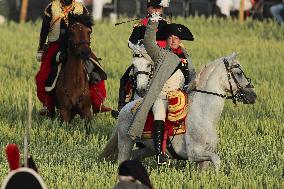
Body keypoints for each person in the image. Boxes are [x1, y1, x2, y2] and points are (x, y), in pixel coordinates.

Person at [127, 13, 196, 165]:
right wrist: (152, 23)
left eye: (176, 38)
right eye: (171, 37)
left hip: (180, 95)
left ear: (180, 41)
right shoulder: (160, 53)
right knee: (160, 114)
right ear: (166, 39)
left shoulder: (186, 58)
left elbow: (192, 75)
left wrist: (191, 85)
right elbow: (148, 41)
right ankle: (160, 154)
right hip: (162, 96)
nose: (173, 40)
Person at [35, 0, 113, 117]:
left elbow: (88, 27)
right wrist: (41, 49)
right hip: (55, 44)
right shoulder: (52, 7)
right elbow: (44, 30)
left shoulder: (81, 8)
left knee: (96, 67)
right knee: (42, 77)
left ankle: (98, 104)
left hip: (78, 44)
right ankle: (48, 106)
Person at [118, 0, 170, 111]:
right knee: (125, 79)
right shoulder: (141, 25)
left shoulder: (166, 25)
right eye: (154, 7)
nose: (156, 10)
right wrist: (139, 46)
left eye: (159, 8)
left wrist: (156, 46)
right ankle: (122, 107)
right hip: (142, 58)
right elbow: (132, 41)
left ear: (162, 9)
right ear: (148, 9)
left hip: (159, 59)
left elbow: (169, 43)